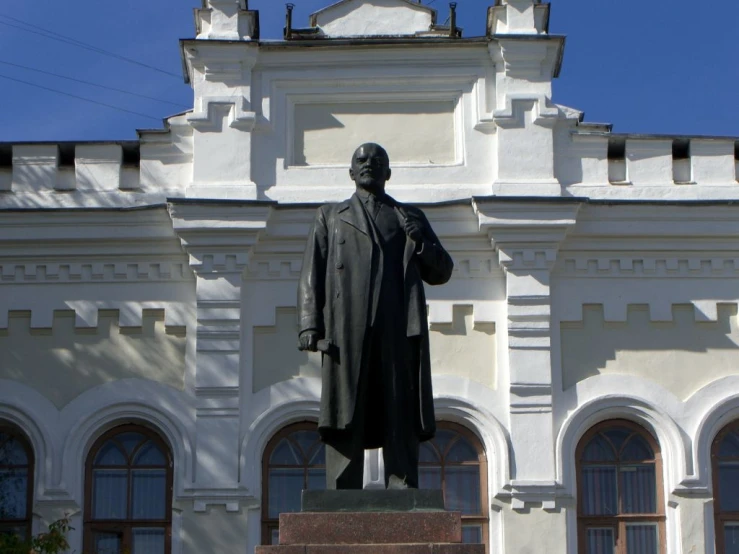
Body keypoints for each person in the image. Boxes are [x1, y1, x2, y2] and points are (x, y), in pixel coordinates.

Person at [297, 143, 454, 490]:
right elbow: (312, 273)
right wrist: (310, 324)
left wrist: (422, 242)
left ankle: (403, 484)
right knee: (345, 405)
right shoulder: (330, 216)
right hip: (345, 328)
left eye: (377, 161)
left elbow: (442, 271)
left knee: (398, 404)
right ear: (351, 172)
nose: (369, 164)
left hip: (397, 326)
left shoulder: (407, 216)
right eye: (362, 160)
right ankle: (342, 486)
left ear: (388, 173)